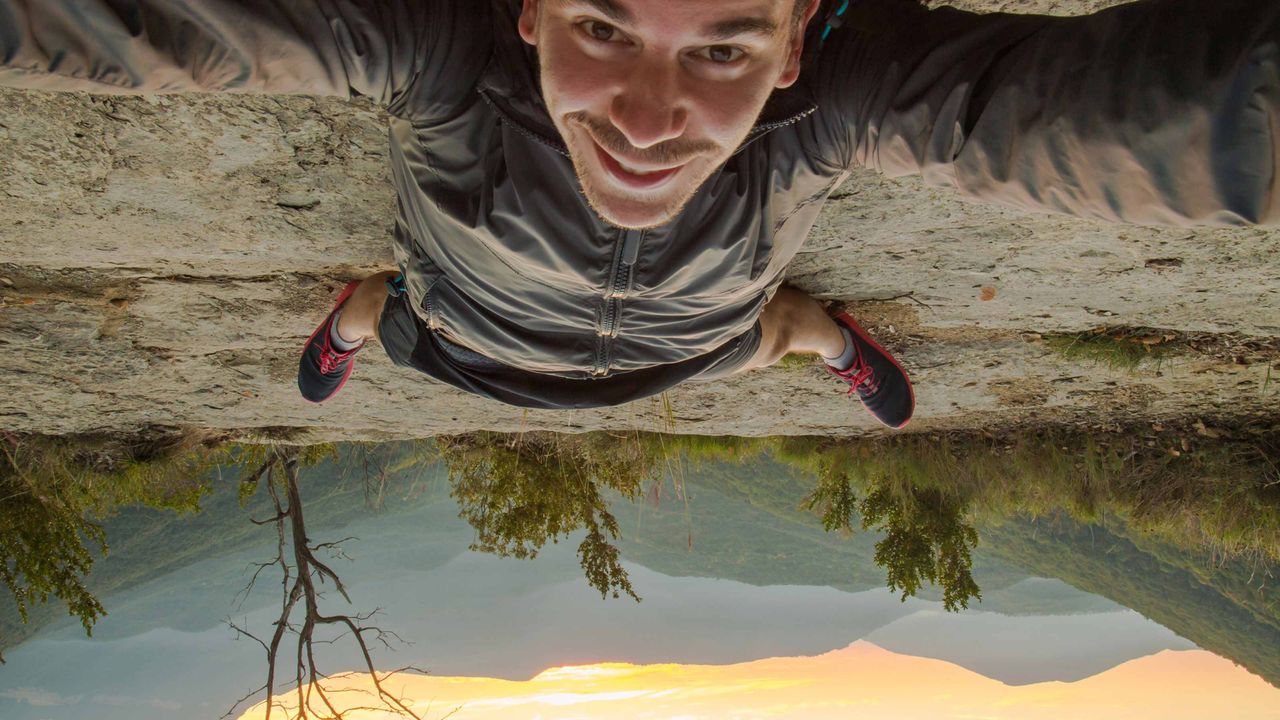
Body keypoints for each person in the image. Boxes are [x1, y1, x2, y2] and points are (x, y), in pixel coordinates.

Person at [3, 0, 1277, 430]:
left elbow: (1125, 117)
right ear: (527, 11)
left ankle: (348, 330)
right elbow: (159, 23)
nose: (651, 114)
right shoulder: (441, 48)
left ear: (793, 47)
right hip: (695, 350)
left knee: (380, 317)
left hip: (467, 347)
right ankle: (829, 343)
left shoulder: (845, 90)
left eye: (721, 47)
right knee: (773, 336)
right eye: (605, 26)